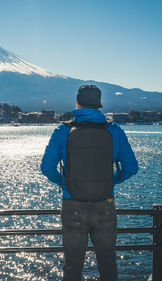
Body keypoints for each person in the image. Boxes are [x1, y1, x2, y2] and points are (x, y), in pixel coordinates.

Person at [40, 85, 138, 281]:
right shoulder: (114, 130)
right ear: (99, 105)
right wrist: (111, 182)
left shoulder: (62, 131)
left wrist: (65, 183)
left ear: (77, 103)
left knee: (73, 264)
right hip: (105, 204)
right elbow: (131, 167)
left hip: (73, 203)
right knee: (107, 261)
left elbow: (46, 167)